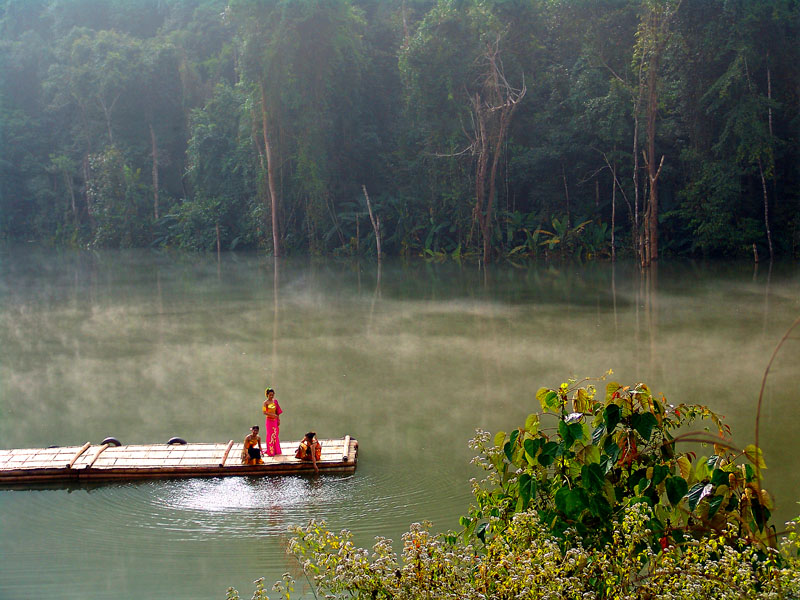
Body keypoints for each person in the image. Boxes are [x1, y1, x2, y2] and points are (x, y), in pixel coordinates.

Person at [262, 387, 283, 456]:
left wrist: (278, 419)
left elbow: (277, 411)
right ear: (267, 395)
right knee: (270, 435)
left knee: (275, 435)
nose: (271, 396)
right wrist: (272, 415)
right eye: (270, 395)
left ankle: (276, 450)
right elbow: (264, 412)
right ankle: (270, 451)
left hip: (275, 421)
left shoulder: (275, 401)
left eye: (272, 394)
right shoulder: (265, 403)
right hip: (269, 421)